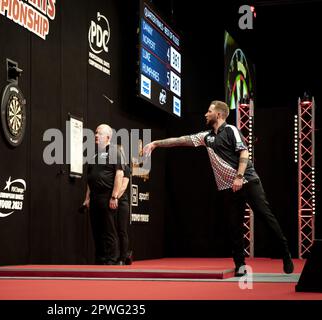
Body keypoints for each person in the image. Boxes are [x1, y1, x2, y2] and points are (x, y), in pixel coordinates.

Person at [143, 100, 294, 276]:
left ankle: (285, 252)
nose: (206, 114)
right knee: (234, 227)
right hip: (227, 188)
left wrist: (239, 177)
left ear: (219, 114)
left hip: (247, 181)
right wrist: (155, 143)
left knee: (266, 218)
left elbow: (244, 152)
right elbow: (181, 140)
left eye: (209, 111)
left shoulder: (231, 130)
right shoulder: (206, 137)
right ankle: (240, 266)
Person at [83, 124, 124, 265]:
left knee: (108, 230)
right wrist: (87, 198)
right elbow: (90, 179)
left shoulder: (114, 152)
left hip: (107, 197)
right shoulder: (94, 155)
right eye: (95, 132)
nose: (95, 135)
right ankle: (100, 260)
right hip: (94, 198)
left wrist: (114, 196)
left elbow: (119, 174)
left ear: (107, 137)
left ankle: (111, 261)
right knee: (97, 230)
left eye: (99, 133)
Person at [115, 145, 133, 265]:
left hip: (121, 202)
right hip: (112, 201)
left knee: (122, 230)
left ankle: (123, 257)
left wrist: (115, 197)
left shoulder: (126, 168)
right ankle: (115, 256)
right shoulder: (112, 168)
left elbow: (123, 187)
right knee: (113, 231)